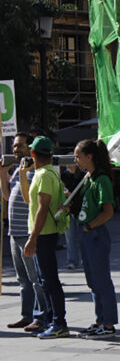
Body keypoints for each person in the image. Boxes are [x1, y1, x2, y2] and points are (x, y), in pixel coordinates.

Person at [0, 132, 49, 333]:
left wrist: (33, 235)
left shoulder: (34, 171)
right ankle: (26, 315)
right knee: (23, 280)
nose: (15, 149)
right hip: (14, 232)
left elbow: (33, 199)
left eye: (19, 146)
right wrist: (3, 173)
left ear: (30, 149)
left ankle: (42, 316)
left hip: (27, 232)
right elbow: (7, 195)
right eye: (13, 146)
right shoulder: (18, 171)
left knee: (36, 279)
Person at [20, 136, 69, 338]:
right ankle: (50, 320)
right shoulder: (46, 172)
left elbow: (42, 208)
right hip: (45, 233)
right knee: (44, 280)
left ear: (33, 154)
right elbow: (30, 202)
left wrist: (33, 237)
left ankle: (59, 323)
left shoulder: (44, 175)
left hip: (44, 234)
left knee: (49, 280)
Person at [73, 139, 118, 339]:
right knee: (92, 281)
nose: (76, 160)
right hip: (87, 233)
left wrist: (90, 226)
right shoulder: (88, 178)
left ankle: (108, 324)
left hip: (96, 235)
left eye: (78, 156)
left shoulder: (101, 180)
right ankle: (100, 319)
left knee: (102, 280)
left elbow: (108, 211)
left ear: (89, 156)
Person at [61, 164, 85, 269]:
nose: (68, 165)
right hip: (68, 210)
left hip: (80, 210)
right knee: (70, 238)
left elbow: (84, 192)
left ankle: (86, 260)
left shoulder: (83, 175)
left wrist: (72, 195)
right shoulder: (63, 176)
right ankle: (72, 261)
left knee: (83, 237)